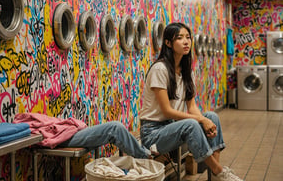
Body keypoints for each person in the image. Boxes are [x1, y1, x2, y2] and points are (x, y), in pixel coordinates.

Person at [139, 22, 243, 181]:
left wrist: (206, 121)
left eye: (188, 37)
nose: (186, 41)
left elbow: (192, 106)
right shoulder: (160, 69)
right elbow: (167, 111)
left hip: (172, 126)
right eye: (180, 38)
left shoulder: (186, 72)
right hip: (153, 133)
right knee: (193, 123)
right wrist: (201, 120)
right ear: (168, 43)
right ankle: (219, 171)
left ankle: (215, 174)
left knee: (212, 116)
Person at [59, 121, 154, 159]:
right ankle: (145, 156)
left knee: (116, 128)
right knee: (115, 128)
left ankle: (145, 154)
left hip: (65, 131)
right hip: (60, 135)